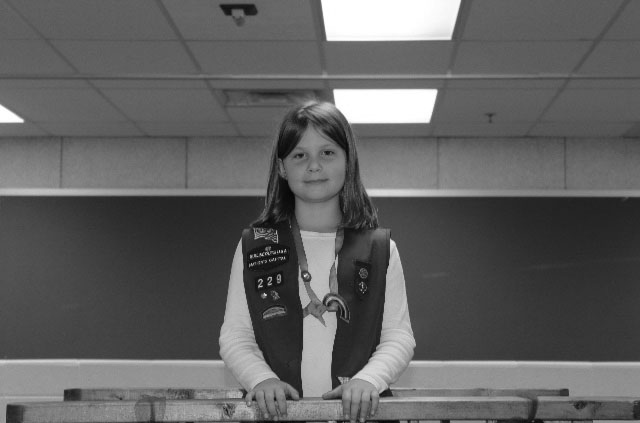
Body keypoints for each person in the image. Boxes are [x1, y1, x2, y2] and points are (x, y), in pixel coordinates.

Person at [219, 101, 415, 423]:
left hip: (359, 417)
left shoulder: (380, 249)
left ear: (347, 161)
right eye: (299, 155)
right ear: (282, 167)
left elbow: (398, 336)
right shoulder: (254, 246)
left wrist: (370, 380)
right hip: (277, 417)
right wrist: (261, 379)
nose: (313, 166)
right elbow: (236, 336)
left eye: (327, 153)